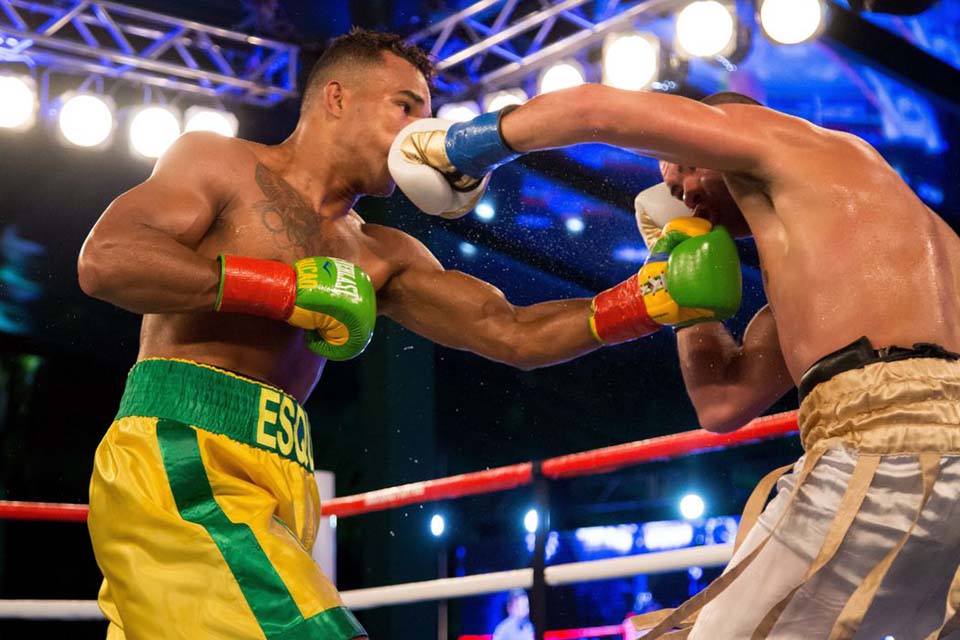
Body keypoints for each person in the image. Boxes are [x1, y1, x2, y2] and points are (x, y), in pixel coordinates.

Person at [76, 28, 741, 640]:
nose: (419, 132)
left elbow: (509, 331)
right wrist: (283, 289)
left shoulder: (379, 252)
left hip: (282, 474)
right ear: (335, 98)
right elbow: (108, 260)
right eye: (405, 106)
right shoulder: (218, 164)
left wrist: (646, 301)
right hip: (180, 453)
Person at [397, 88, 960, 638]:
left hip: (886, 450)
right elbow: (723, 403)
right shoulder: (857, 261)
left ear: (721, 136)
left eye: (686, 171)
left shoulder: (792, 141)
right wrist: (679, 288)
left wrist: (468, 145)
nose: (686, 197)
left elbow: (597, 110)